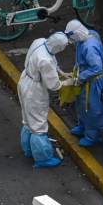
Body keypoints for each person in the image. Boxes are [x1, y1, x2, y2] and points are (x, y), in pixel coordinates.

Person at [18, 32, 74, 168]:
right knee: (38, 125)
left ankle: (28, 149)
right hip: (34, 90)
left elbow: (52, 60)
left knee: (28, 119)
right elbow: (53, 85)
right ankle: (42, 158)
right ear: (59, 47)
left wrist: (60, 72)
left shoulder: (40, 40)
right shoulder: (46, 60)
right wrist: (67, 82)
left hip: (24, 80)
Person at [65, 19, 103, 147]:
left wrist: (79, 78)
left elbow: (97, 68)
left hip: (92, 83)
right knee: (81, 105)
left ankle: (92, 135)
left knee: (91, 108)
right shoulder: (89, 35)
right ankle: (83, 126)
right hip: (85, 81)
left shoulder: (89, 47)